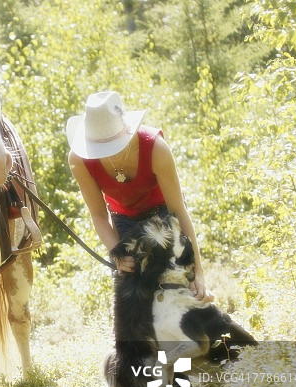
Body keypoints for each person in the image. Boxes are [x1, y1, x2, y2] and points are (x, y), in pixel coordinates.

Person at [66, 91, 211, 301]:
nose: (104, 153)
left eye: (109, 146)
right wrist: (116, 251)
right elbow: (98, 214)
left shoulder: (155, 148)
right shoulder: (78, 160)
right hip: (123, 218)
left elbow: (177, 209)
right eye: (98, 147)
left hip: (163, 213)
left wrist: (197, 270)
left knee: (182, 286)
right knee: (133, 293)